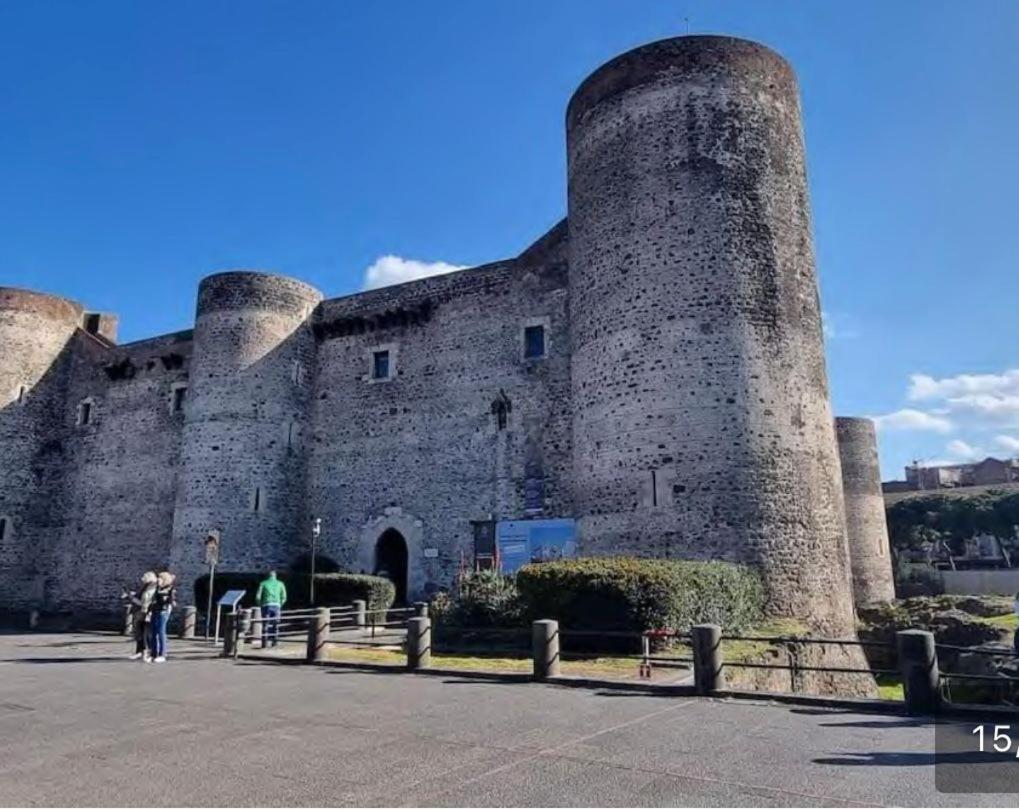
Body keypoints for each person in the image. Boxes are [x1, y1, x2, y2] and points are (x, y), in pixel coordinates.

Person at [125, 571, 157, 661]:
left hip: (148, 612)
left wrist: (133, 598)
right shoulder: (146, 587)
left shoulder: (154, 588)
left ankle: (148, 652)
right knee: (140, 632)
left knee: (146, 633)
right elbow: (142, 600)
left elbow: (147, 601)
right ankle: (140, 651)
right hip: (142, 611)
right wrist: (133, 596)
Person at [149, 571, 177, 663]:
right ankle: (153, 653)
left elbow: (171, 601)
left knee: (161, 632)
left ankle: (162, 654)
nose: (158, 579)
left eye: (160, 578)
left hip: (163, 611)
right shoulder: (157, 588)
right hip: (155, 610)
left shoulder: (170, 589)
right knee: (153, 632)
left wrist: (170, 603)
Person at [255, 570, 287, 648]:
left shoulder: (263, 583)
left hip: (266, 605)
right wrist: (280, 604)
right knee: (276, 624)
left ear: (268, 576)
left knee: (265, 624)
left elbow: (258, 597)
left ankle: (264, 643)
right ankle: (275, 641)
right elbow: (284, 597)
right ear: (275, 576)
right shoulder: (280, 584)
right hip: (276, 605)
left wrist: (260, 605)